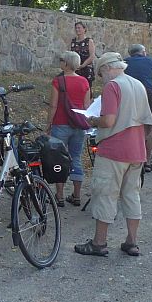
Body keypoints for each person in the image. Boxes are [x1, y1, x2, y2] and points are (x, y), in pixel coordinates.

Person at [74, 52, 152, 258]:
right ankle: (132, 241)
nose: (102, 78)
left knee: (105, 194)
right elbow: (147, 122)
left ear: (107, 68)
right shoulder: (138, 85)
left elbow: (108, 121)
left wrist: (92, 120)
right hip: (137, 149)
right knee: (131, 194)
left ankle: (99, 242)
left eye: (101, 73)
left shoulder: (113, 86)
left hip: (114, 150)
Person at [46, 51, 92, 206]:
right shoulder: (84, 82)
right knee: (76, 158)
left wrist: (48, 123)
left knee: (58, 159)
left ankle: (59, 195)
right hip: (78, 125)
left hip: (60, 123)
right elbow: (86, 106)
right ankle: (77, 195)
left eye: (61, 60)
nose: (60, 62)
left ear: (66, 63)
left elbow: (53, 105)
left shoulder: (58, 81)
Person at [124, 44, 152, 172]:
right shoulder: (150, 61)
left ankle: (130, 158)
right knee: (149, 126)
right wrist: (151, 82)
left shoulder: (124, 62)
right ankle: (148, 161)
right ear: (143, 52)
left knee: (129, 125)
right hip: (146, 93)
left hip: (128, 94)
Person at [70, 22, 96, 88]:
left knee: (86, 88)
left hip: (86, 69)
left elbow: (92, 56)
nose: (77, 29)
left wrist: (83, 65)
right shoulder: (73, 41)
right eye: (76, 28)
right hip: (75, 69)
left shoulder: (89, 41)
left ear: (84, 29)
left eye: (79, 28)